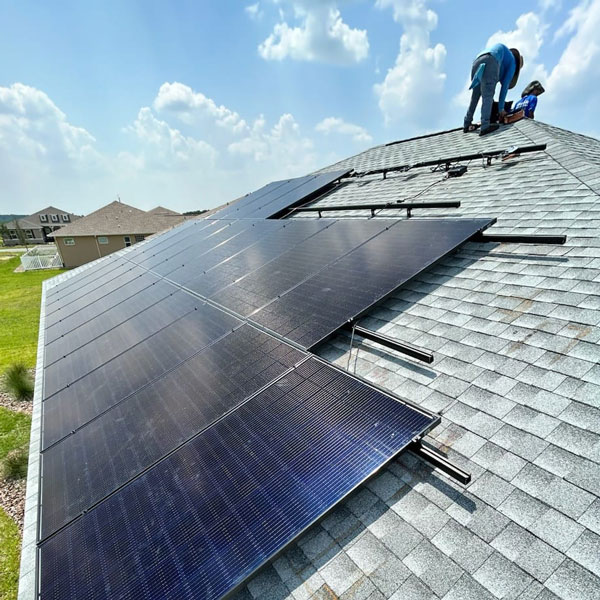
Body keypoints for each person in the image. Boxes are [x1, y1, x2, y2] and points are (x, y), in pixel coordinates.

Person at [463, 43, 523, 136]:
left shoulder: (505, 59)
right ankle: (485, 126)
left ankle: (467, 123)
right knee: (488, 95)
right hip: (491, 60)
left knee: (475, 96)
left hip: (477, 61)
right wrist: (501, 109)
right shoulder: (512, 63)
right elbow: (505, 87)